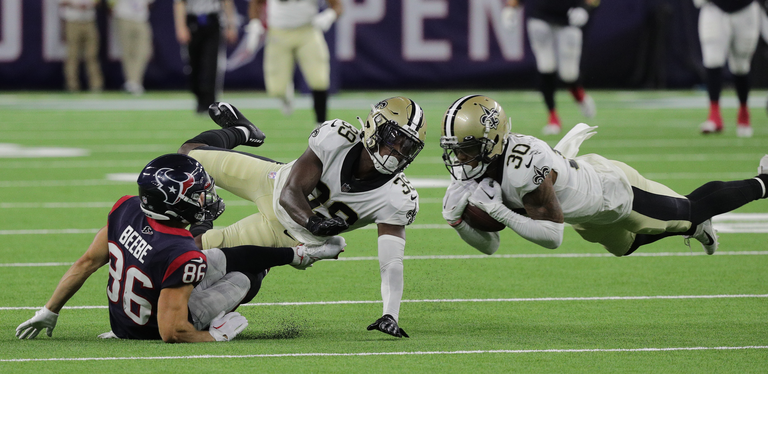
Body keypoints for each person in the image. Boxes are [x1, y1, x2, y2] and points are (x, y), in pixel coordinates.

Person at [16, 153, 345, 343]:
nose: (206, 196)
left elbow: (86, 262)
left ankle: (297, 255)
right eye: (199, 192)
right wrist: (214, 338)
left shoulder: (127, 207)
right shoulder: (179, 251)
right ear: (175, 202)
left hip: (132, 306)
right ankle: (285, 261)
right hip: (147, 327)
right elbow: (171, 331)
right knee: (246, 278)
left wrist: (49, 310)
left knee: (219, 258)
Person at [178, 97, 426, 338]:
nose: (397, 152)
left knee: (195, 251)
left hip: (287, 235)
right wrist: (314, 222)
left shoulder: (397, 196)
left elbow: (391, 263)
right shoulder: (338, 138)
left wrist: (390, 314)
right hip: (273, 180)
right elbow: (291, 192)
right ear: (375, 126)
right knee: (186, 157)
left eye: (408, 147)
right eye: (395, 139)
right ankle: (242, 130)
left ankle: (203, 225)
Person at [439, 94, 768, 257]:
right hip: (584, 215)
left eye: (467, 148)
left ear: (493, 141)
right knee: (627, 247)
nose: (460, 158)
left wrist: (498, 210)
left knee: (692, 209)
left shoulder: (525, 163)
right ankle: (695, 225)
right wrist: (459, 223)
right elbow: (491, 245)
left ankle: (763, 183)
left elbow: (552, 237)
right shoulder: (473, 168)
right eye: (455, 149)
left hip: (612, 191)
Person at [501, 0, 599, 135]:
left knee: (569, 73)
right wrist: (510, 9)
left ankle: (580, 97)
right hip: (540, 18)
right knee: (546, 66)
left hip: (569, 19)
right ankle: (553, 117)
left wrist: (585, 8)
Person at [243, 0, 343, 124]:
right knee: (276, 90)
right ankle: (285, 94)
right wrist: (254, 24)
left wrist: (329, 16)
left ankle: (320, 123)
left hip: (308, 31)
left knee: (319, 80)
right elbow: (256, 2)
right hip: (278, 33)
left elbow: (337, 6)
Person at [694, 0, 760, 137]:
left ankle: (743, 112)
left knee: (741, 65)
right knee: (712, 60)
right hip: (714, 8)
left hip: (745, 9)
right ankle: (714, 115)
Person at [173, 0, 238, 113]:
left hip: (212, 21)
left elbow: (227, 1)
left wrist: (231, 25)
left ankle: (210, 103)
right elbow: (179, 3)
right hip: (193, 20)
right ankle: (199, 97)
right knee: (194, 65)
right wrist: (181, 27)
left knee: (211, 64)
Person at [108, 0, 154, 95]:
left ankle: (134, 81)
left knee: (144, 51)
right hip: (123, 16)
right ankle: (132, 83)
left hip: (141, 18)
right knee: (127, 51)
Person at [59, 0, 104, 92]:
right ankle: (72, 85)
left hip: (89, 20)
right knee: (72, 55)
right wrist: (75, 4)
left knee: (92, 55)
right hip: (72, 20)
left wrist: (89, 4)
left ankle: (96, 85)